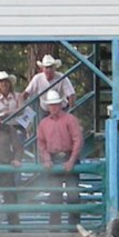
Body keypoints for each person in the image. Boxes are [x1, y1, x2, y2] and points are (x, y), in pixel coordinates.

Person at [37, 90, 83, 227]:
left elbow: (78, 140)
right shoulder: (43, 124)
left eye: (56, 104)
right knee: (54, 197)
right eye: (51, 105)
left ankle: (73, 227)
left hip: (68, 155)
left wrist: (72, 160)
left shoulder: (70, 120)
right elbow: (41, 143)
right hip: (54, 158)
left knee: (73, 196)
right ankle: (55, 228)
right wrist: (46, 158)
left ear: (60, 105)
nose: (53, 107)